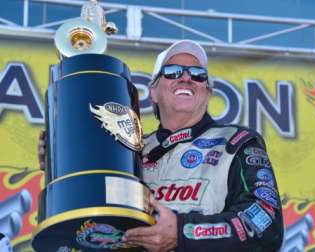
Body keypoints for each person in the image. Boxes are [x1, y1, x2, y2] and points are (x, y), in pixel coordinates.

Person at [39, 40, 284, 252]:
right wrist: (62, 163)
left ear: (208, 92)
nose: (186, 77)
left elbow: (265, 221)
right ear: (153, 92)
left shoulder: (236, 142)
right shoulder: (127, 149)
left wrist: (182, 232)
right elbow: (95, 216)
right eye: (174, 71)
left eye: (198, 74)